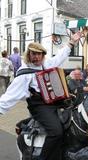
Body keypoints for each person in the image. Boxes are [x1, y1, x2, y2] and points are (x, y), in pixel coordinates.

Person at [0, 31, 82, 160]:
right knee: (56, 132)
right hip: (39, 107)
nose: (36, 57)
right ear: (29, 54)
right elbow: (8, 97)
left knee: (78, 116)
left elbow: (59, 58)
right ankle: (42, 158)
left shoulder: (45, 64)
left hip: (54, 102)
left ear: (43, 55)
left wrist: (71, 43)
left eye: (39, 54)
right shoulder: (25, 74)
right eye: (33, 54)